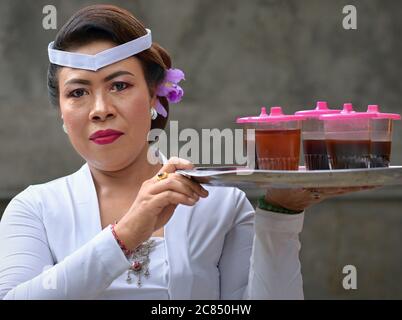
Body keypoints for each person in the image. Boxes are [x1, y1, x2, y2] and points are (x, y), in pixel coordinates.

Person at [0, 4, 367, 300]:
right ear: (62, 113)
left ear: (154, 96)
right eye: (78, 92)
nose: (100, 108)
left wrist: (281, 214)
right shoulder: (34, 210)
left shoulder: (220, 204)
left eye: (120, 85)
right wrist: (126, 234)